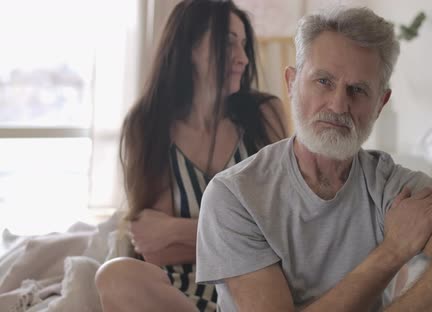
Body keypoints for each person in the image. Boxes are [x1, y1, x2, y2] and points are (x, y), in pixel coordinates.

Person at [195, 6, 432, 312]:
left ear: (380, 103)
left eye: (358, 89)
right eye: (324, 82)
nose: (339, 105)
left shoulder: (395, 188)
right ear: (291, 83)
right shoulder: (235, 195)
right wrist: (392, 251)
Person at [94, 0, 288, 311]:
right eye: (228, 43)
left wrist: (173, 229)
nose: (242, 58)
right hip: (175, 296)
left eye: (244, 45)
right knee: (114, 275)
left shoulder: (265, 115)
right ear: (188, 48)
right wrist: (244, 234)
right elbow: (154, 249)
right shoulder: (148, 125)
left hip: (252, 292)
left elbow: (283, 228)